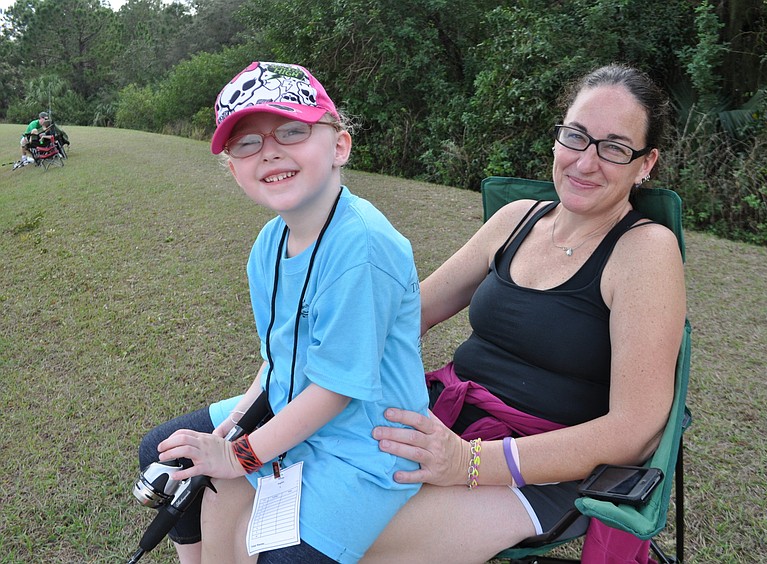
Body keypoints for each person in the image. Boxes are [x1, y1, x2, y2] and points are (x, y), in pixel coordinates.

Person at [364, 64, 687, 563]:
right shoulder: (516, 219)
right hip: (443, 418)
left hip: (546, 464)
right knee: (276, 492)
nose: (584, 162)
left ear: (646, 164)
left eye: (615, 147)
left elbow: (636, 428)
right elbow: (411, 314)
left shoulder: (645, 251)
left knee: (351, 543)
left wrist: (469, 462)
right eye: (576, 136)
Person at [138, 61, 428, 564]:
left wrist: (238, 454)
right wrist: (230, 428)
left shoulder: (361, 246)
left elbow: (336, 392)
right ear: (234, 170)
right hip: (289, 404)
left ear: (339, 146)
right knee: (165, 450)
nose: (269, 150)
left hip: (367, 443)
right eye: (246, 143)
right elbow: (280, 357)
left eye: (292, 131)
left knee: (281, 558)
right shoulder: (269, 243)